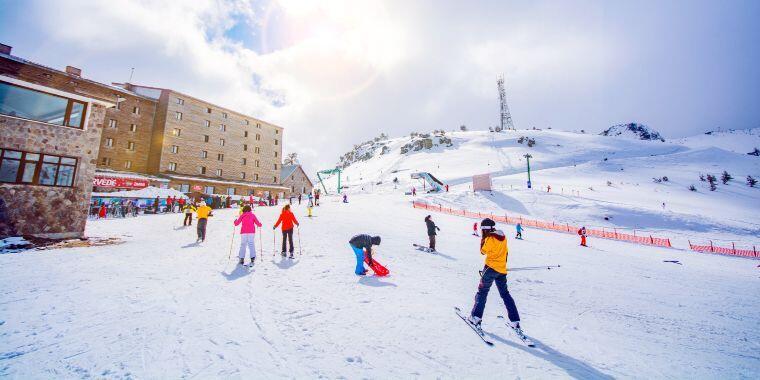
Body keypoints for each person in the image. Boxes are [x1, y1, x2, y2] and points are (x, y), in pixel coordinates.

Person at [467, 218, 523, 333]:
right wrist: (501, 265)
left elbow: (482, 251)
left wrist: (483, 239)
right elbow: (506, 252)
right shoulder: (503, 236)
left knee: (482, 292)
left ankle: (475, 318)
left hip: (490, 269)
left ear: (485, 229)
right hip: (501, 270)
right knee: (505, 294)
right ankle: (515, 321)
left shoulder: (489, 238)